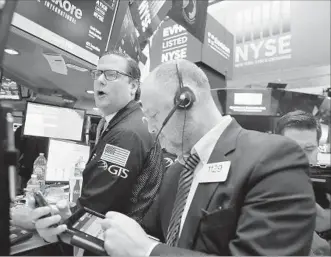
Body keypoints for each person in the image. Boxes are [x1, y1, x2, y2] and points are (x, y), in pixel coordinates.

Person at [98, 59, 316, 256]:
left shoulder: (273, 158)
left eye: (153, 115)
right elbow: (147, 232)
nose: (152, 129)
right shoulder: (176, 173)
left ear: (185, 99)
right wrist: (98, 231)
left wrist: (148, 252)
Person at [32, 50, 165, 243]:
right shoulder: (126, 122)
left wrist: (41, 222)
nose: (100, 80)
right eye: (97, 73)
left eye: (111, 75)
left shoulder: (126, 133)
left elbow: (96, 207)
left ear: (133, 86)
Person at [276, 110, 330, 255]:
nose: (301, 157)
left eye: (309, 149)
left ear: (318, 148)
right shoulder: (258, 188)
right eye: (291, 148)